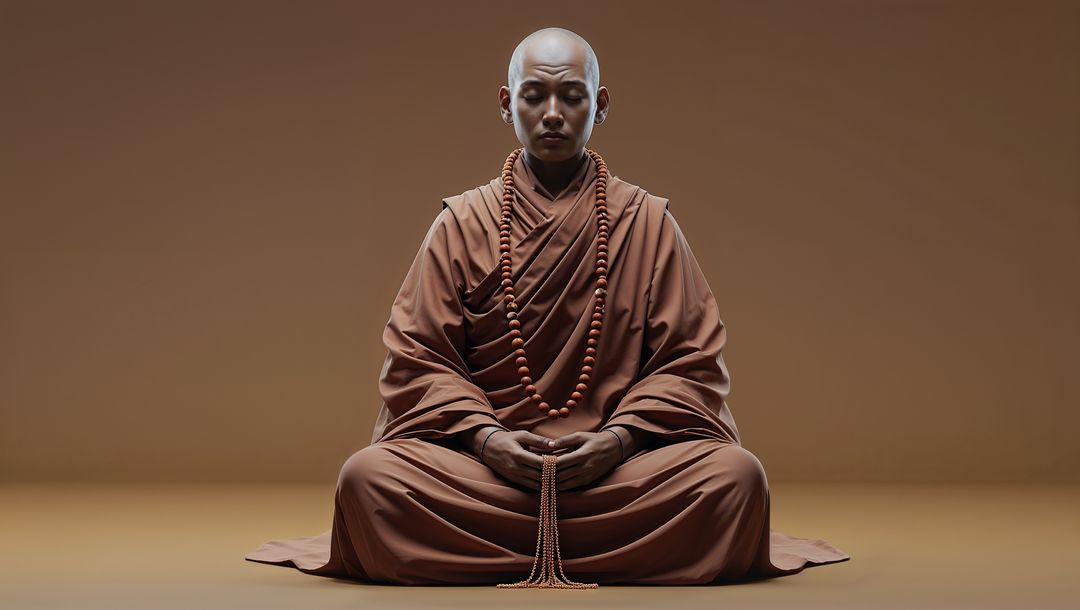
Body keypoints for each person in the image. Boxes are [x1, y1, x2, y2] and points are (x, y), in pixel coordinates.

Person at [244, 26, 850, 585]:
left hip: (616, 476)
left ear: (601, 104)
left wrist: (618, 441)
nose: (553, 114)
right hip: (488, 477)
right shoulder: (462, 224)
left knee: (736, 480)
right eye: (534, 96)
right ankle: (604, 548)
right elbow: (417, 360)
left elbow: (691, 363)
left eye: (573, 96)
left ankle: (523, 541)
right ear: (506, 103)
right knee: (367, 481)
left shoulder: (647, 224)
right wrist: (486, 442)